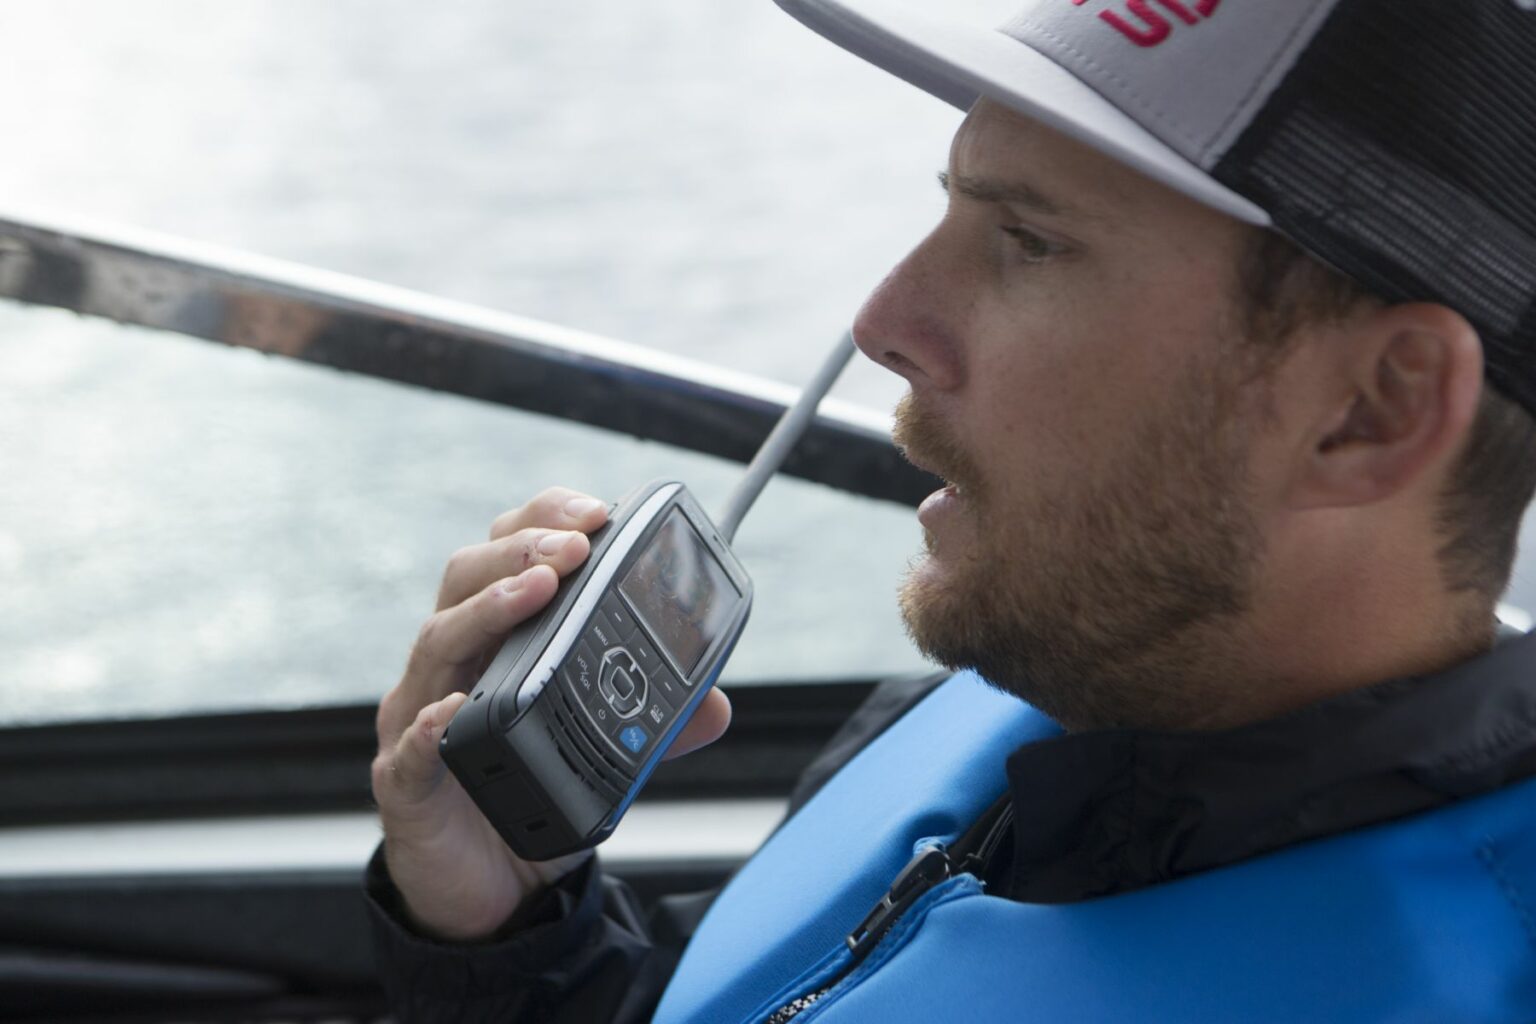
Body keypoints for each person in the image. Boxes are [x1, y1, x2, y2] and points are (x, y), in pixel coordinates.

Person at [366, 0, 1536, 1019]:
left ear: (1371, 409)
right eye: (952, 213)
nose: (884, 320)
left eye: (1029, 240)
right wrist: (516, 933)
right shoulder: (1027, 697)